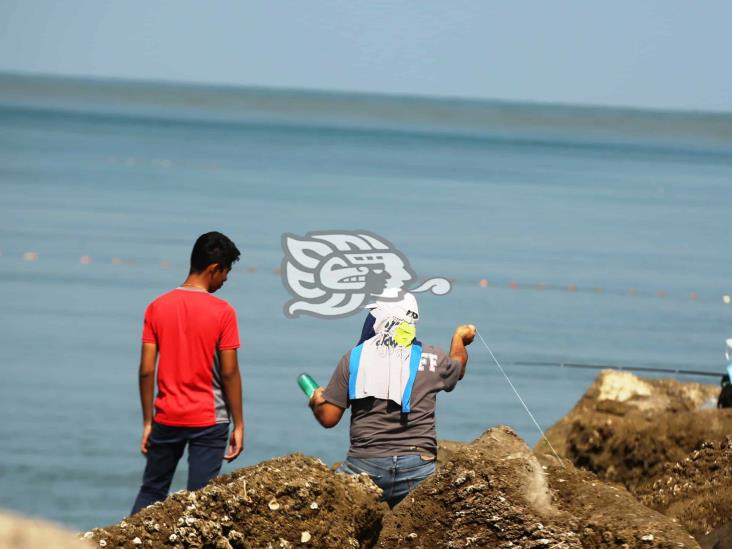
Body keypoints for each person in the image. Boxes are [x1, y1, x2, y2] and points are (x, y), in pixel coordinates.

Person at [308, 292, 476, 507]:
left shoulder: (355, 357)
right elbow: (458, 367)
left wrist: (316, 400)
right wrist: (459, 339)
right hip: (418, 468)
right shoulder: (434, 358)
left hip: (365, 467)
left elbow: (329, 418)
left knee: (325, 501)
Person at [130, 232, 244, 515]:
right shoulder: (223, 311)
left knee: (152, 490)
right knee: (201, 501)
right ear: (214, 268)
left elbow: (146, 370)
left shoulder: (157, 307)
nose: (226, 281)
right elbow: (229, 372)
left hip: (166, 415)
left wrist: (148, 421)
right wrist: (239, 424)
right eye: (226, 273)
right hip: (209, 419)